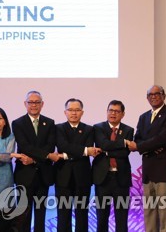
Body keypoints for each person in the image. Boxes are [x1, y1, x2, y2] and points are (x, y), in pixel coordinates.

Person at [127, 85, 166, 232]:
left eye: (157, 94)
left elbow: (163, 138)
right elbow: (138, 138)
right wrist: (148, 145)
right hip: (148, 168)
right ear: (147, 97)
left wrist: (142, 146)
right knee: (149, 209)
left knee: (163, 210)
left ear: (163, 95)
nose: (154, 96)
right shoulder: (143, 117)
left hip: (163, 169)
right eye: (150, 94)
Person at [11, 90, 60, 232]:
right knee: (23, 216)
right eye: (31, 102)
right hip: (24, 176)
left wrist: (33, 161)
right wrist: (47, 156)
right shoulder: (18, 123)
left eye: (37, 102)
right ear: (25, 104)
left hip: (43, 175)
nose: (34, 105)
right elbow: (25, 146)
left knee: (41, 215)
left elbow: (50, 146)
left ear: (42, 104)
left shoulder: (50, 123)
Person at [55, 98, 101, 232]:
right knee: (63, 215)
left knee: (82, 214)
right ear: (65, 112)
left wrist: (64, 155)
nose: (73, 113)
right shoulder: (58, 128)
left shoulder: (89, 129)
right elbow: (63, 145)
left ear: (82, 112)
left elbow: (69, 148)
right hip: (63, 177)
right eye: (70, 110)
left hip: (83, 177)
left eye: (77, 110)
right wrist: (85, 151)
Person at [92, 100, 134, 232]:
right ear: (107, 112)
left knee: (121, 216)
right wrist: (123, 142)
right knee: (102, 216)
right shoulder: (98, 127)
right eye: (110, 110)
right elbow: (102, 144)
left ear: (123, 114)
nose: (113, 114)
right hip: (102, 178)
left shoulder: (128, 130)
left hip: (121, 178)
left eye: (117, 111)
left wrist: (106, 150)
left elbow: (124, 153)